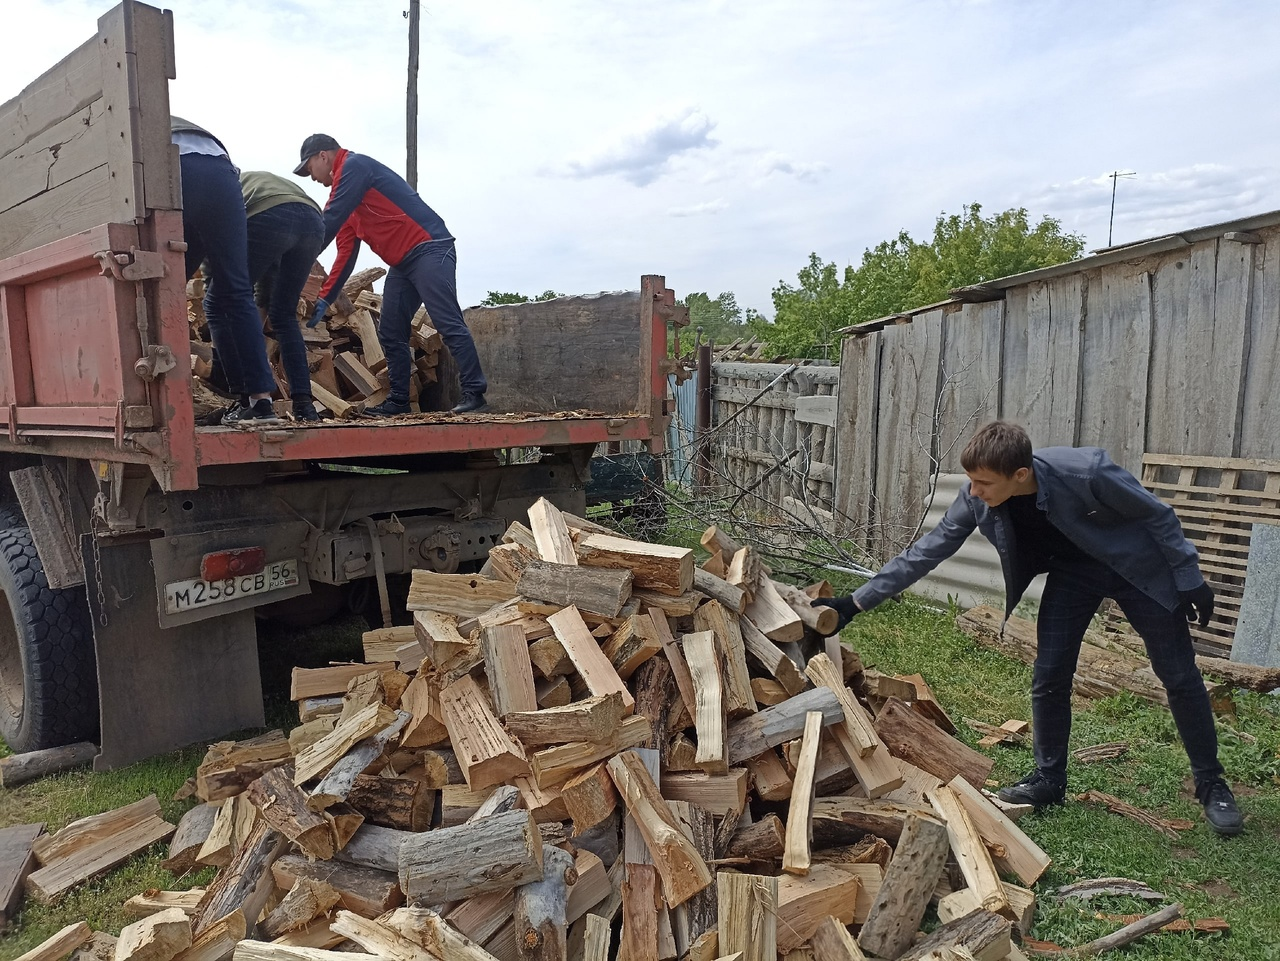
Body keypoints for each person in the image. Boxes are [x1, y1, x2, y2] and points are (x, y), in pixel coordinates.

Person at [812, 420, 1244, 836]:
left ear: (1020, 474)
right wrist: (855, 602)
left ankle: (1211, 784)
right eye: (970, 481)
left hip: (1138, 568)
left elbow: (1159, 516)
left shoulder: (1086, 471)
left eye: (983, 483)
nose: (973, 491)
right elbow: (924, 553)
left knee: (1179, 676)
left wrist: (1189, 577)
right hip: (1074, 575)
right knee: (1050, 673)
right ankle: (1049, 780)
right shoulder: (976, 497)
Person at [292, 134, 488, 416]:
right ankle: (398, 401)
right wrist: (326, 297)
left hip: (430, 248)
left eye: (308, 167)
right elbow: (345, 256)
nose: (310, 176)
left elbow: (329, 220)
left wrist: (298, 256)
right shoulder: (346, 200)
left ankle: (474, 393)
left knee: (447, 321)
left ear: (323, 156)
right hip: (404, 263)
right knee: (391, 330)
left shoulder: (354, 167)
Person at [171, 117, 281, 426]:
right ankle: (259, 403)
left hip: (174, 166)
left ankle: (165, 402)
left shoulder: (136, 118)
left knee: (161, 288)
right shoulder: (179, 122)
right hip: (222, 172)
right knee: (237, 291)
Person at [240, 170, 326, 422]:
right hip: (312, 221)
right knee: (283, 314)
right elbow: (264, 291)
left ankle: (254, 401)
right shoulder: (256, 180)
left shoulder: (227, 188)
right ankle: (304, 406)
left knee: (231, 299)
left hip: (269, 215)